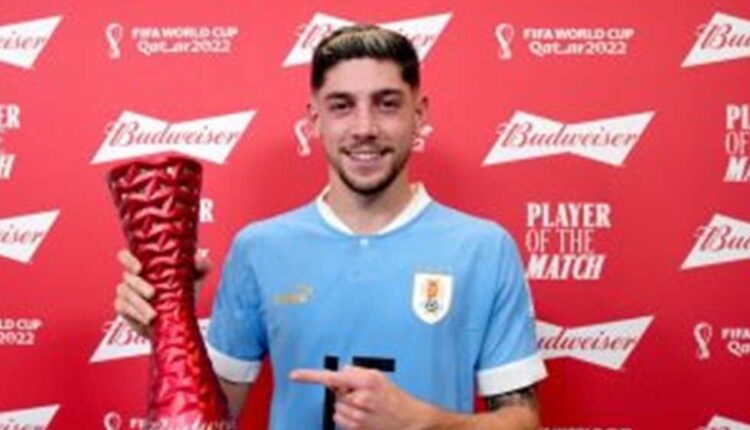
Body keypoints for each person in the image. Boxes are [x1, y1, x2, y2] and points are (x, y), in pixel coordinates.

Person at [115, 25, 547, 430]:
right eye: (342, 106)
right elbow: (217, 417)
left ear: (419, 114)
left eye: (387, 104)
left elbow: (522, 420)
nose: (365, 128)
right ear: (314, 118)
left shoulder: (484, 248)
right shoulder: (259, 248)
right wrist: (171, 326)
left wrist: (422, 422)